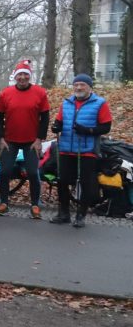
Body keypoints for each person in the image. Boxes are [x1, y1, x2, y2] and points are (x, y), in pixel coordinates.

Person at [50, 74, 112, 227]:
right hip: (65, 148)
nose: (78, 88)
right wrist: (56, 127)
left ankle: (81, 215)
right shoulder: (66, 103)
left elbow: (106, 127)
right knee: (62, 181)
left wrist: (88, 130)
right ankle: (64, 213)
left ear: (89, 87)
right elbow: (59, 121)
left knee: (85, 183)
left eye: (82, 85)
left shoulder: (100, 103)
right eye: (76, 85)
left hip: (87, 149)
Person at [0, 60, 50, 218]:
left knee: (32, 172)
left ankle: (35, 205)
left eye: (26, 74)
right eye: (20, 75)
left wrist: (39, 139)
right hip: (9, 140)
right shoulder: (6, 93)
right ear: (15, 77)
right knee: (4, 171)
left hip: (31, 141)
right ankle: (3, 203)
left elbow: (45, 118)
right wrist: (1, 138)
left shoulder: (40, 93)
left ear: (30, 76)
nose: (23, 77)